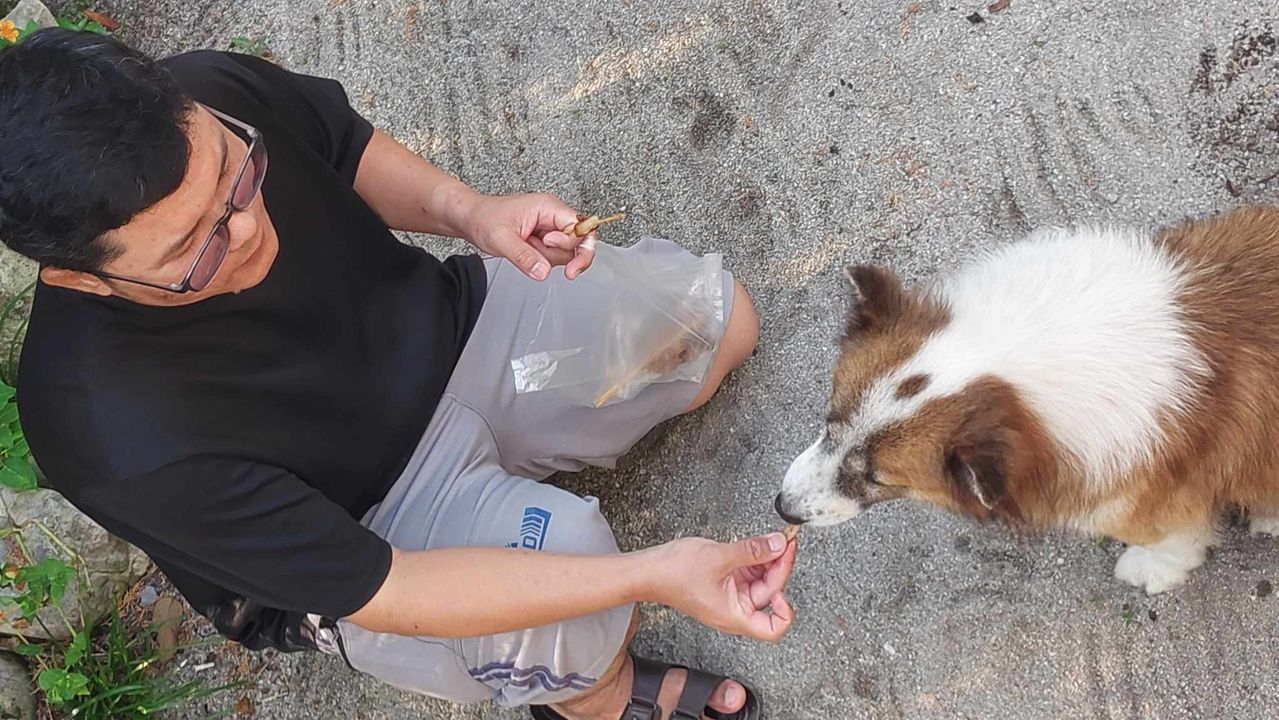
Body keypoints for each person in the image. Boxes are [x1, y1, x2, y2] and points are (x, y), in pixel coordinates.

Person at [0, 29, 796, 719]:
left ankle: (524, 508)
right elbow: (389, 589)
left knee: (714, 324)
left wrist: (469, 213)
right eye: (191, 249)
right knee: (582, 579)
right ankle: (594, 697)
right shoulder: (100, 431)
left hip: (447, 333)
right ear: (80, 277)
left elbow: (343, 145)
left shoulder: (209, 90)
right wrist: (651, 574)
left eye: (235, 176)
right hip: (371, 527)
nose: (247, 229)